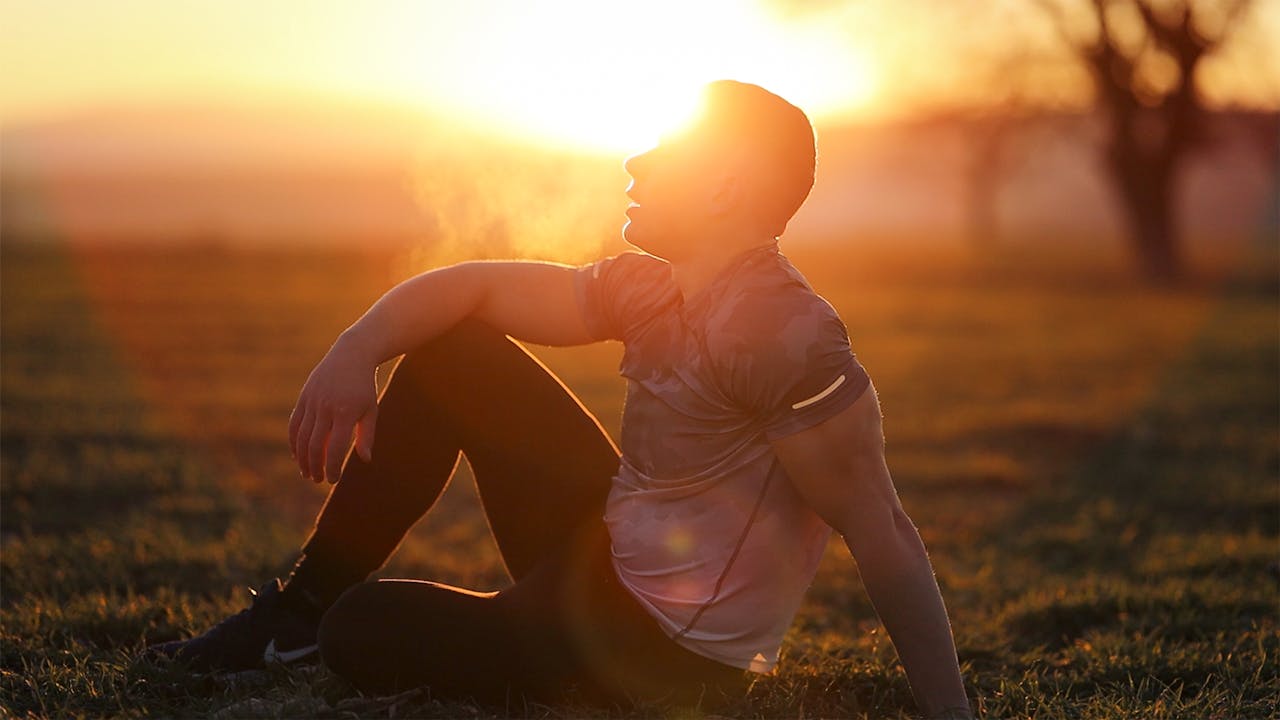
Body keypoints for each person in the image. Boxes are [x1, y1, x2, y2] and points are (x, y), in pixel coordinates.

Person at [147, 80, 973, 718]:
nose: (635, 164)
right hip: (612, 554)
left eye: (666, 151)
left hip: (658, 652)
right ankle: (295, 618)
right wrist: (354, 349)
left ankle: (339, 624)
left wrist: (949, 712)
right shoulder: (652, 287)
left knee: (363, 631)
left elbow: (883, 531)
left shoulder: (785, 335)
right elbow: (469, 288)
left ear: (723, 186)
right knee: (452, 353)